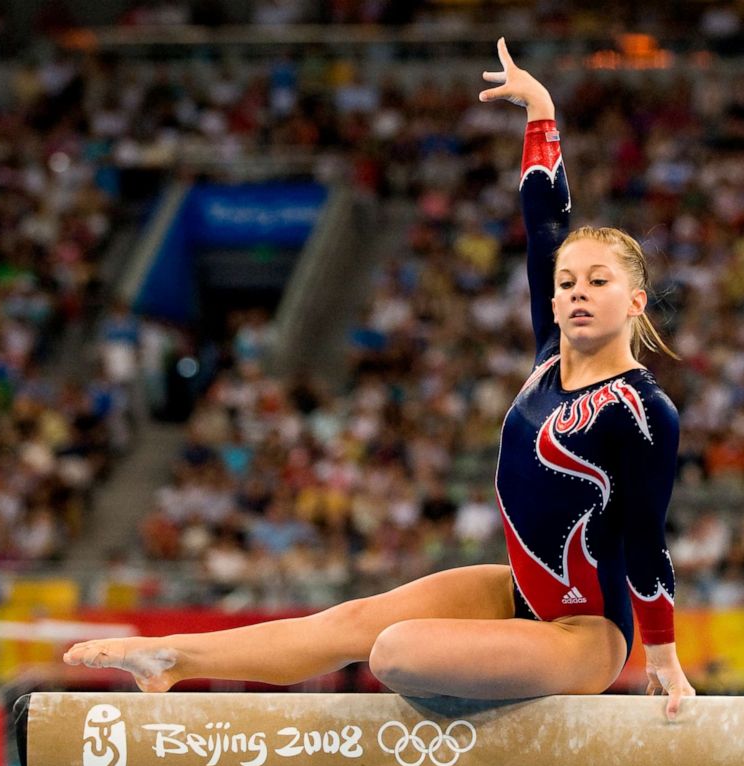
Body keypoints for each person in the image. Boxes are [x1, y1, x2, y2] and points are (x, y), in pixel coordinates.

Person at [63, 39, 695, 717]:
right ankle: (174, 659)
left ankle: (479, 723)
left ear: (634, 301)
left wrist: (662, 659)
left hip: (585, 636)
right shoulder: (549, 352)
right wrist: (540, 114)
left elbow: (644, 541)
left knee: (395, 650)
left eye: (599, 281)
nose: (576, 290)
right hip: (520, 594)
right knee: (350, 621)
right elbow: (545, 222)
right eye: (567, 280)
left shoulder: (641, 407)